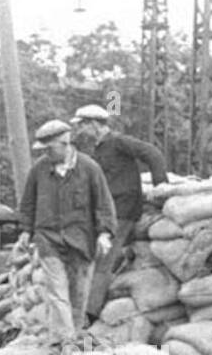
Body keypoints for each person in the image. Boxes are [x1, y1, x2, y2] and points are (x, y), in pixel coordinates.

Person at [16, 119, 117, 336]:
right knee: (57, 293)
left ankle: (72, 335)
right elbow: (28, 203)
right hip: (48, 239)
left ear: (65, 143)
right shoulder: (39, 170)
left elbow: (104, 204)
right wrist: (25, 230)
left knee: (79, 295)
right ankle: (64, 342)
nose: (46, 154)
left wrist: (104, 234)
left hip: (82, 241)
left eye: (49, 148)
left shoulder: (89, 169)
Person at [71, 104, 169, 319]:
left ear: (95, 124)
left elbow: (152, 153)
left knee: (102, 262)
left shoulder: (118, 142)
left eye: (82, 126)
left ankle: (88, 314)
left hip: (122, 212)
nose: (79, 132)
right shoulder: (99, 149)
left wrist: (161, 187)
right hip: (107, 214)